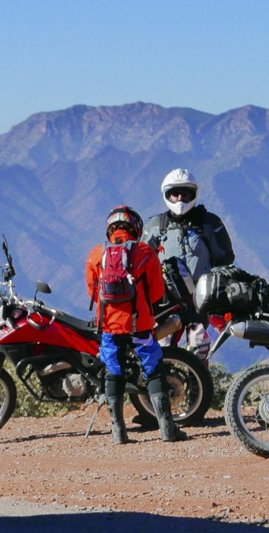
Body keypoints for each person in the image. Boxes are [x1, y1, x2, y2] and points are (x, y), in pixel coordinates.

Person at [86, 205, 189, 444]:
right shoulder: (144, 251)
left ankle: (118, 432)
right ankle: (167, 428)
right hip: (139, 326)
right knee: (153, 369)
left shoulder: (96, 254)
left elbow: (92, 292)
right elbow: (157, 293)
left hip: (109, 327)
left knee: (114, 371)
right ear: (136, 227)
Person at [143, 168, 235, 359]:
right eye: (174, 194)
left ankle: (198, 378)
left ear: (193, 194)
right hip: (166, 302)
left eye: (185, 193)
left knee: (199, 346)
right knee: (163, 348)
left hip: (200, 300)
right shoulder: (156, 225)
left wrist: (217, 294)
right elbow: (142, 261)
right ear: (166, 195)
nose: (179, 199)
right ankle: (167, 378)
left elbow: (225, 258)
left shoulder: (209, 223)